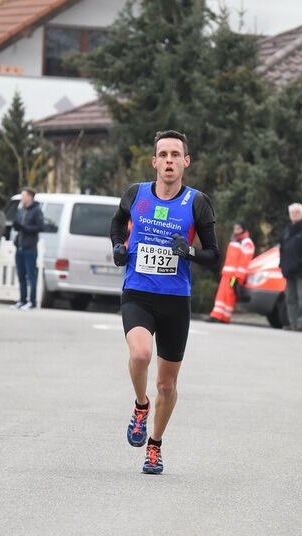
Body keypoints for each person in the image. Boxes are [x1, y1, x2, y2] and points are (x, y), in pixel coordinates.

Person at [108, 130, 219, 474]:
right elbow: (116, 226)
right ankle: (141, 405)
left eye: (176, 155)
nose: (169, 161)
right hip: (138, 293)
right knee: (140, 354)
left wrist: (190, 253)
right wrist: (118, 248)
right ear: (154, 161)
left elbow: (214, 255)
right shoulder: (136, 195)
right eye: (163, 154)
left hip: (175, 301)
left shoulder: (196, 202)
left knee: (167, 385)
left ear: (185, 162)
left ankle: (154, 446)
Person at [279, 203, 302, 331]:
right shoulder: (288, 230)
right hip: (289, 270)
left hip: (301, 271)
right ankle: (293, 322)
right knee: (290, 298)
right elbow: (283, 248)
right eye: (292, 212)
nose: (294, 215)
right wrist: (282, 265)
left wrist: (301, 262)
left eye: (297, 212)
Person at [208, 223, 254, 323]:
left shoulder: (246, 242)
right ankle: (217, 315)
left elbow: (245, 260)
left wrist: (239, 276)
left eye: (238, 228)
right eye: (235, 228)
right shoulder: (235, 240)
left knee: (229, 295)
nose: (236, 230)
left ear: (243, 229)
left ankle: (224, 317)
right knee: (222, 295)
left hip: (235, 275)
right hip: (227, 274)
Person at [12, 187, 44, 310]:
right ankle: (22, 299)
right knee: (21, 275)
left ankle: (32, 301)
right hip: (20, 245)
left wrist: (25, 228)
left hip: (30, 247)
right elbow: (17, 224)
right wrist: (17, 226)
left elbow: (40, 227)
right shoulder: (21, 210)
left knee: (31, 275)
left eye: (24, 195)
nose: (22, 198)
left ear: (30, 197)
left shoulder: (36, 211)